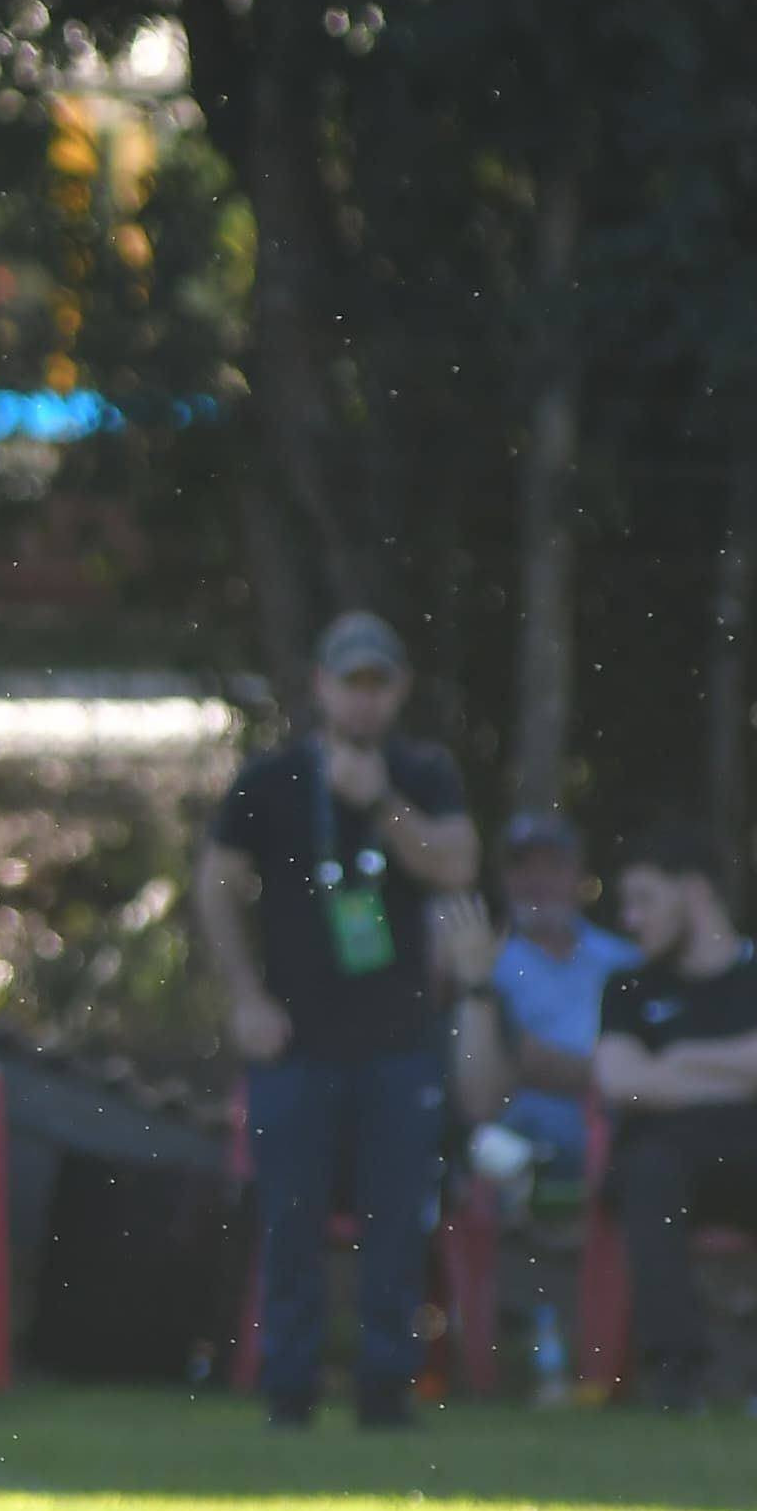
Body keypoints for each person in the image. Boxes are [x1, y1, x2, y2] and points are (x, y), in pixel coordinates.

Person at [196, 612, 482, 1429]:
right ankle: (287, 1385)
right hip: (295, 1043)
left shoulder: (423, 775)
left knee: (397, 1222)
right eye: (349, 682)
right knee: (290, 1218)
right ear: (321, 685)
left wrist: (383, 808)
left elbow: (459, 863)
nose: (363, 700)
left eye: (378, 684)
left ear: (399, 691)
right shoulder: (272, 778)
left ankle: (387, 1385)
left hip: (399, 1042)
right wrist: (246, 996)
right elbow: (214, 885)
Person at [592, 823, 757, 1414]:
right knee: (644, 1178)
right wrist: (754, 1060)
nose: (630, 919)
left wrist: (686, 1057)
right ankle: (678, 1371)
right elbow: (621, 1081)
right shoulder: (628, 987)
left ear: (694, 892)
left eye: (643, 899)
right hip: (669, 1160)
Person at [467, 814, 638, 1187]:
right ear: (504, 880)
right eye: (522, 867)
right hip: (531, 1117)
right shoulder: (487, 963)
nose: (537, 881)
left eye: (553, 866)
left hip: (624, 1110)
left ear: (578, 875)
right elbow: (521, 1061)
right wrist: (625, 1072)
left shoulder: (622, 959)